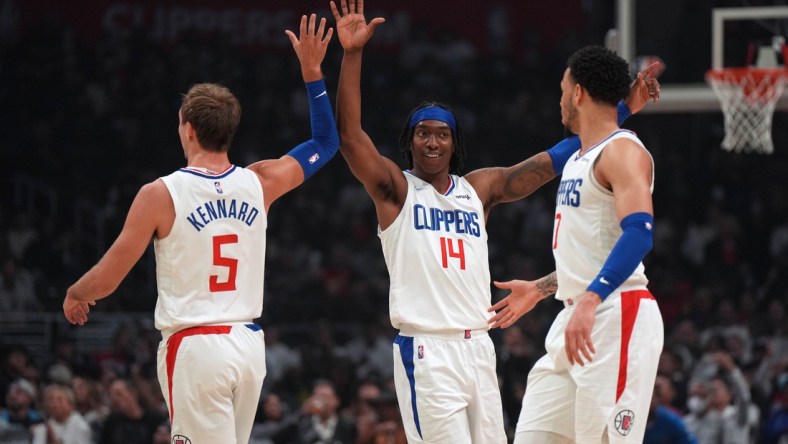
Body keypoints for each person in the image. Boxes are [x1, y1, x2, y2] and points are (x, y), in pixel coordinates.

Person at [330, 1, 660, 442]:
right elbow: (351, 137)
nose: (432, 141)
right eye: (422, 133)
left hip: (481, 349)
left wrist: (619, 112)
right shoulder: (397, 189)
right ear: (408, 143)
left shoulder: (479, 189)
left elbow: (561, 156)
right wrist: (352, 55)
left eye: (441, 133)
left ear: (454, 142)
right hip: (429, 349)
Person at [62, 13, 338, 444]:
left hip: (196, 347)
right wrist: (312, 74)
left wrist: (77, 292)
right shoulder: (260, 182)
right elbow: (326, 143)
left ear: (187, 128)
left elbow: (111, 275)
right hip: (248, 346)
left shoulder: (160, 194)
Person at [490, 45, 664, 443]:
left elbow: (639, 231)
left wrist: (591, 298)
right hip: (573, 319)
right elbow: (591, 252)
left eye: (563, 89)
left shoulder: (623, 151)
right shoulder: (579, 157)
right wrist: (540, 288)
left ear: (579, 93)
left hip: (616, 314)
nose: (560, 100)